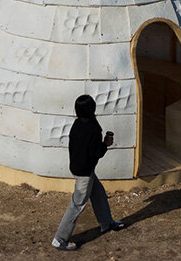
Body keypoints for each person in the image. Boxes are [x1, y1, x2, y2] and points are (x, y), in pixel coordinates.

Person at [52, 94, 126, 251]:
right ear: (92, 109)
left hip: (79, 167)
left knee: (98, 194)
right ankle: (60, 239)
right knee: (77, 205)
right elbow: (95, 152)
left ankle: (107, 223)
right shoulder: (93, 129)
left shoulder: (77, 123)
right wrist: (105, 144)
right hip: (84, 173)